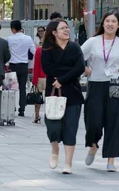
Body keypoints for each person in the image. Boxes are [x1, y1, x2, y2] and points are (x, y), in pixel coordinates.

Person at [81, 11, 119, 172]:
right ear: (102, 24)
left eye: (113, 21)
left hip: (117, 85)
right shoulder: (93, 42)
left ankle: (111, 160)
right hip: (96, 84)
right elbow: (76, 57)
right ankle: (93, 145)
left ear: (118, 25)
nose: (110, 24)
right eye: (107, 21)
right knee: (93, 120)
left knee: (116, 123)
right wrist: (86, 70)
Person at [40, 20, 85, 174]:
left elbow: (80, 67)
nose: (67, 30)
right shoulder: (47, 49)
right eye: (63, 28)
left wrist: (62, 79)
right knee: (53, 125)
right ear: (54, 32)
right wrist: (66, 72)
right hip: (53, 92)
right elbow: (48, 69)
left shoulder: (75, 47)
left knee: (70, 128)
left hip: (72, 91)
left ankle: (68, 163)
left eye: (67, 27)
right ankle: (54, 150)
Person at [7, 20, 35, 117]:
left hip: (13, 65)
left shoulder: (9, 39)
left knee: (11, 88)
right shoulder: (28, 38)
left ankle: (11, 107)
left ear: (13, 29)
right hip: (24, 65)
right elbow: (34, 51)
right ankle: (22, 109)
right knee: (22, 88)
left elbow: (6, 52)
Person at [32, 45, 45, 124]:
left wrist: (34, 80)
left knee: (38, 98)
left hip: (40, 77)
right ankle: (50, 115)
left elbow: (36, 66)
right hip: (51, 77)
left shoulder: (39, 50)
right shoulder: (55, 49)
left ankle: (37, 116)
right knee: (51, 98)